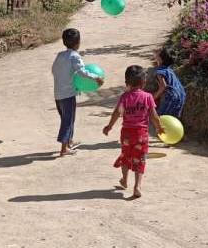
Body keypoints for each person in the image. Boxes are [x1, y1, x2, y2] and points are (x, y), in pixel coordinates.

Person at [103, 65, 164, 199]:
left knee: (125, 156)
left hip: (126, 134)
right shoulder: (148, 97)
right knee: (140, 159)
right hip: (141, 134)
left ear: (127, 83)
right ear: (144, 82)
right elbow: (154, 115)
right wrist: (159, 127)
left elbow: (117, 113)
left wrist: (109, 126)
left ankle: (124, 179)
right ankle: (137, 186)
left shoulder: (125, 97)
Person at [51, 28, 104, 156]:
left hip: (58, 94)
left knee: (66, 118)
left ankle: (69, 141)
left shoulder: (60, 55)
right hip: (68, 95)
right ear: (78, 43)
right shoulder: (75, 56)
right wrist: (95, 78)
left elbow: (54, 70)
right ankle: (64, 149)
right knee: (68, 120)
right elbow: (82, 71)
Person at [152, 47, 187, 118]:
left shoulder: (159, 72)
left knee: (162, 118)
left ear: (160, 59)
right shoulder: (168, 70)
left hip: (172, 97)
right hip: (181, 94)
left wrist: (154, 97)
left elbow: (163, 86)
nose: (156, 51)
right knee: (173, 118)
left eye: (158, 51)